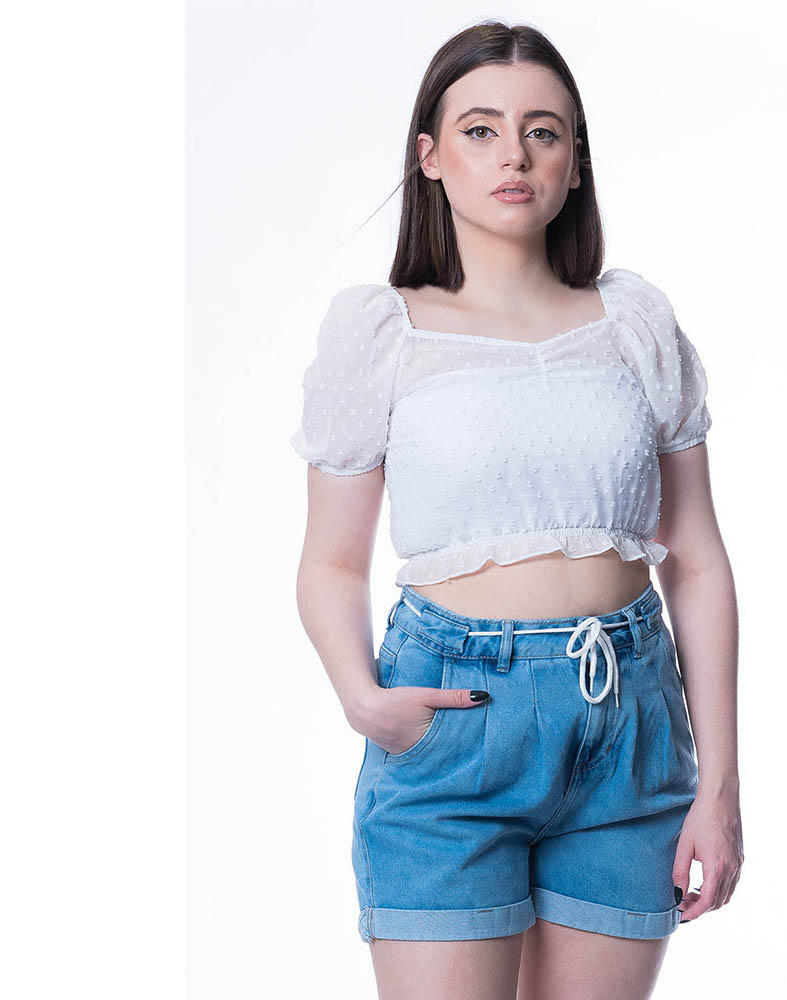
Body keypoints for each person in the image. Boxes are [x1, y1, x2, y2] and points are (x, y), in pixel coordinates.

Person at [290, 20, 742, 1000]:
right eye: (481, 130)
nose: (515, 155)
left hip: (628, 724)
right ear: (430, 155)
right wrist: (361, 696)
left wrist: (719, 785)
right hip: (454, 723)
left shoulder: (634, 324)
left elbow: (698, 557)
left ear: (575, 162)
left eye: (543, 131)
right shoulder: (383, 332)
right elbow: (330, 560)